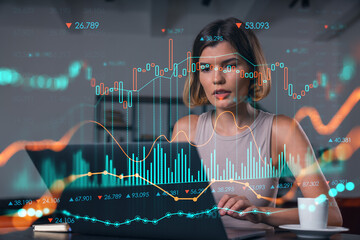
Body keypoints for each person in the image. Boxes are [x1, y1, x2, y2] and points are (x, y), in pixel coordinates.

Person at [171, 17, 342, 228]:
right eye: (206, 68)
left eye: (230, 65)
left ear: (253, 70)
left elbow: (332, 216)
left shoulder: (282, 130)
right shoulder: (186, 129)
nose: (217, 79)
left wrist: (261, 213)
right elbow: (170, 211)